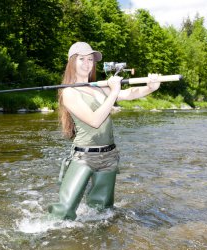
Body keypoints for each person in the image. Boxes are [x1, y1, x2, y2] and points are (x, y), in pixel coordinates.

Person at [48, 42, 161, 220]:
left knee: (102, 214)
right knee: (63, 212)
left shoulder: (98, 86)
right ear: (72, 62)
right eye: (82, 59)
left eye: (90, 59)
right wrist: (114, 91)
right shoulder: (69, 92)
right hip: (84, 157)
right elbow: (95, 120)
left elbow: (129, 93)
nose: (87, 63)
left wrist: (150, 87)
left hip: (109, 156)